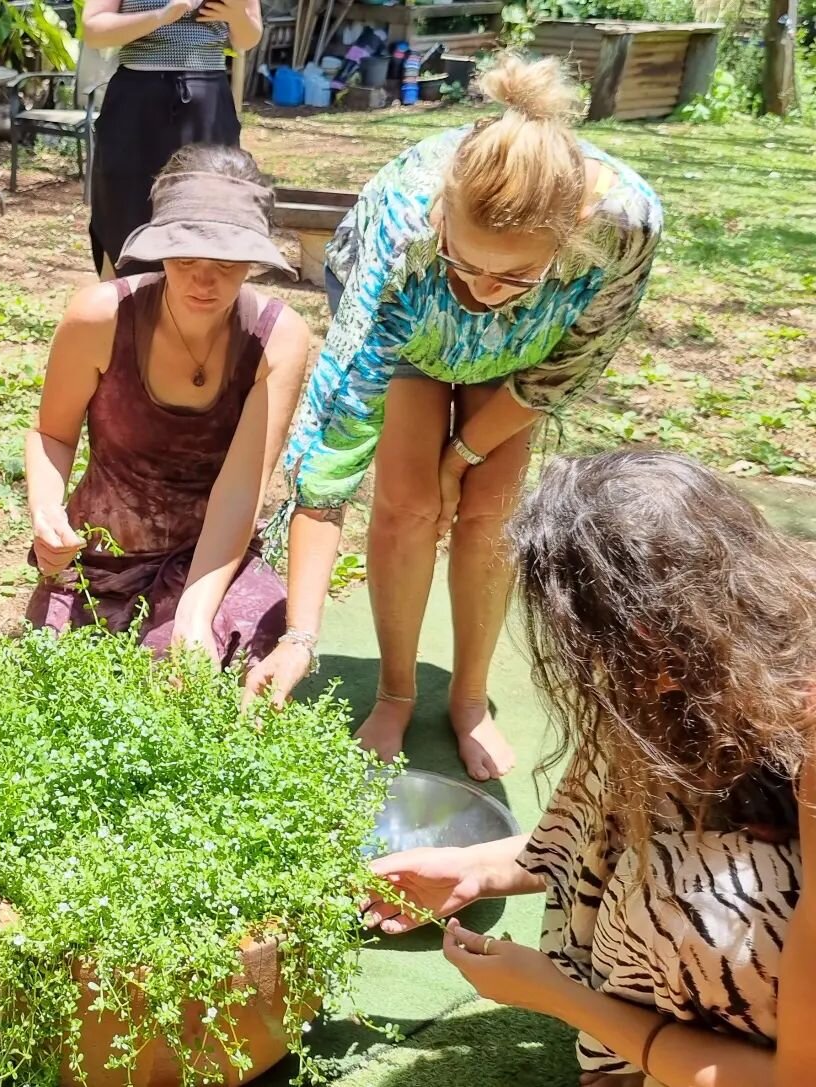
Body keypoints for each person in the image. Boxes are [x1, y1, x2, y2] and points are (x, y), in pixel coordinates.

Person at [244, 53, 663, 781]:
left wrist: (461, 453)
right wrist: (301, 635)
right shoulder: (402, 237)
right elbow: (331, 451)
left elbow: (561, 369)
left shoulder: (624, 225)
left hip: (528, 348)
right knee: (405, 505)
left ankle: (469, 698)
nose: (484, 289)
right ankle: (397, 690)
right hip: (412, 318)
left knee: (491, 511)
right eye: (468, 263)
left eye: (511, 275)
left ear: (574, 237)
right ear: (442, 217)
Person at [363, 450, 816, 1087]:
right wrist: (481, 869)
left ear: (645, 638)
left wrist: (566, 999)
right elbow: (618, 832)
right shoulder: (709, 665)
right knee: (632, 735)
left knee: (703, 898)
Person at [25, 145, 310, 667]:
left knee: (223, 673)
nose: (204, 280)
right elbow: (53, 434)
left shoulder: (278, 339)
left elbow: (241, 488)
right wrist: (46, 512)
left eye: (226, 263)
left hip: (211, 557)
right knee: (72, 684)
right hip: (100, 557)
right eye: (185, 259)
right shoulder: (100, 317)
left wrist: (194, 616)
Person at [82, 0, 262, 278]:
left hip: (208, 99)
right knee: (124, 207)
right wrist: (160, 16)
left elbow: (249, 38)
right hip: (136, 99)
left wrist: (237, 16)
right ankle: (123, 308)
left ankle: (193, 308)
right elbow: (94, 30)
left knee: (208, 206)